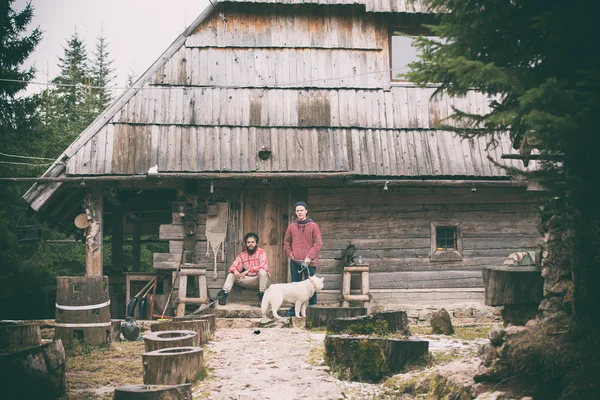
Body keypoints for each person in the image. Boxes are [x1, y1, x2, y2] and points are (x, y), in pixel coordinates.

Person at [283, 201, 323, 316]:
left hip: (310, 262)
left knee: (311, 286)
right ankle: (294, 309)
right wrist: (291, 255)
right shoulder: (291, 227)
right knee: (295, 286)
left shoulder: (313, 226)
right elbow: (286, 243)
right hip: (295, 262)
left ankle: (312, 310)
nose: (299, 212)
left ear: (306, 211)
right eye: (297, 210)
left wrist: (308, 257)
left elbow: (318, 243)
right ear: (295, 213)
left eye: (301, 210)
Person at [217, 232, 269, 306]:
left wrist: (248, 270)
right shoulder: (242, 255)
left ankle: (262, 298)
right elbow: (233, 267)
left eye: (252, 242)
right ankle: (224, 295)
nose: (250, 244)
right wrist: (235, 271)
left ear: (256, 243)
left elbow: (264, 266)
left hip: (260, 280)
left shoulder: (262, 252)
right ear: (246, 244)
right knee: (232, 274)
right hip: (248, 280)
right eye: (248, 242)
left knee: (263, 272)